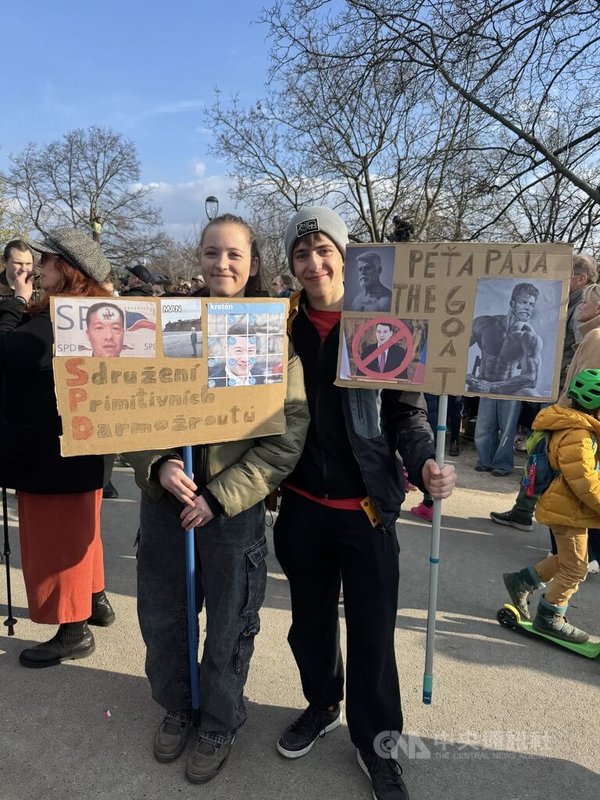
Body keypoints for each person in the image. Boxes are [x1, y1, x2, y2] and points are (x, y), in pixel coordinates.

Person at [275, 207, 456, 800]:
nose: (314, 263)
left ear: (346, 257)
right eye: (302, 253)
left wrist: (424, 461)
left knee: (373, 635)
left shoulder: (382, 323)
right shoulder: (278, 326)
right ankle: (322, 703)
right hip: (300, 505)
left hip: (366, 510)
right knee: (310, 625)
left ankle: (377, 743)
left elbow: (407, 413)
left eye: (324, 249)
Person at [126, 213, 309, 785]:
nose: (221, 264)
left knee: (231, 622)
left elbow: (285, 437)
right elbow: (128, 410)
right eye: (211, 252)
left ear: (252, 265)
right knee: (164, 615)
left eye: (234, 254)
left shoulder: (271, 337)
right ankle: (178, 705)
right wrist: (157, 463)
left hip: (230, 512)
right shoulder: (167, 329)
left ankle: (219, 720)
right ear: (199, 258)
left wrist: (220, 496)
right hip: (166, 506)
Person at [0, 227, 116, 668]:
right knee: (82, 534)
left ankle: (73, 631)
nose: (39, 266)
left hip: (53, 454)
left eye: (47, 260)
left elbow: (9, 351)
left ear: (68, 270)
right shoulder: (93, 314)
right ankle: (94, 599)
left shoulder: (57, 320)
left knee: (57, 542)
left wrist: (14, 302)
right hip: (81, 449)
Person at [490, 255, 598, 530]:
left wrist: (564, 400)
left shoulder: (586, 321)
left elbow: (582, 368)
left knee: (545, 454)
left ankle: (530, 513)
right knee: (549, 455)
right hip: (564, 398)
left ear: (580, 279)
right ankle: (531, 513)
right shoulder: (571, 305)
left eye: (567, 272)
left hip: (567, 401)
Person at [502, 368, 600, 643]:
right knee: (576, 568)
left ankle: (522, 581)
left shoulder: (578, 426)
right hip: (567, 509)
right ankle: (550, 616)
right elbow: (584, 482)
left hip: (570, 507)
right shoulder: (578, 435)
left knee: (568, 560)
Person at [467, 283, 542, 476]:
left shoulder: (529, 337)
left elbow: (531, 378)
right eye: (523, 302)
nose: (527, 307)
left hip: (508, 389)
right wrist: (468, 377)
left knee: (507, 429)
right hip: (483, 383)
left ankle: (502, 464)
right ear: (512, 303)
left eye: (531, 304)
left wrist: (493, 387)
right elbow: (455, 350)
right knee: (483, 426)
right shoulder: (485, 324)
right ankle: (484, 460)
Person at [208, 320, 264, 386]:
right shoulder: (212, 384)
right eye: (238, 351)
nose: (245, 359)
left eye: (250, 350)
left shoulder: (259, 377)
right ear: (226, 350)